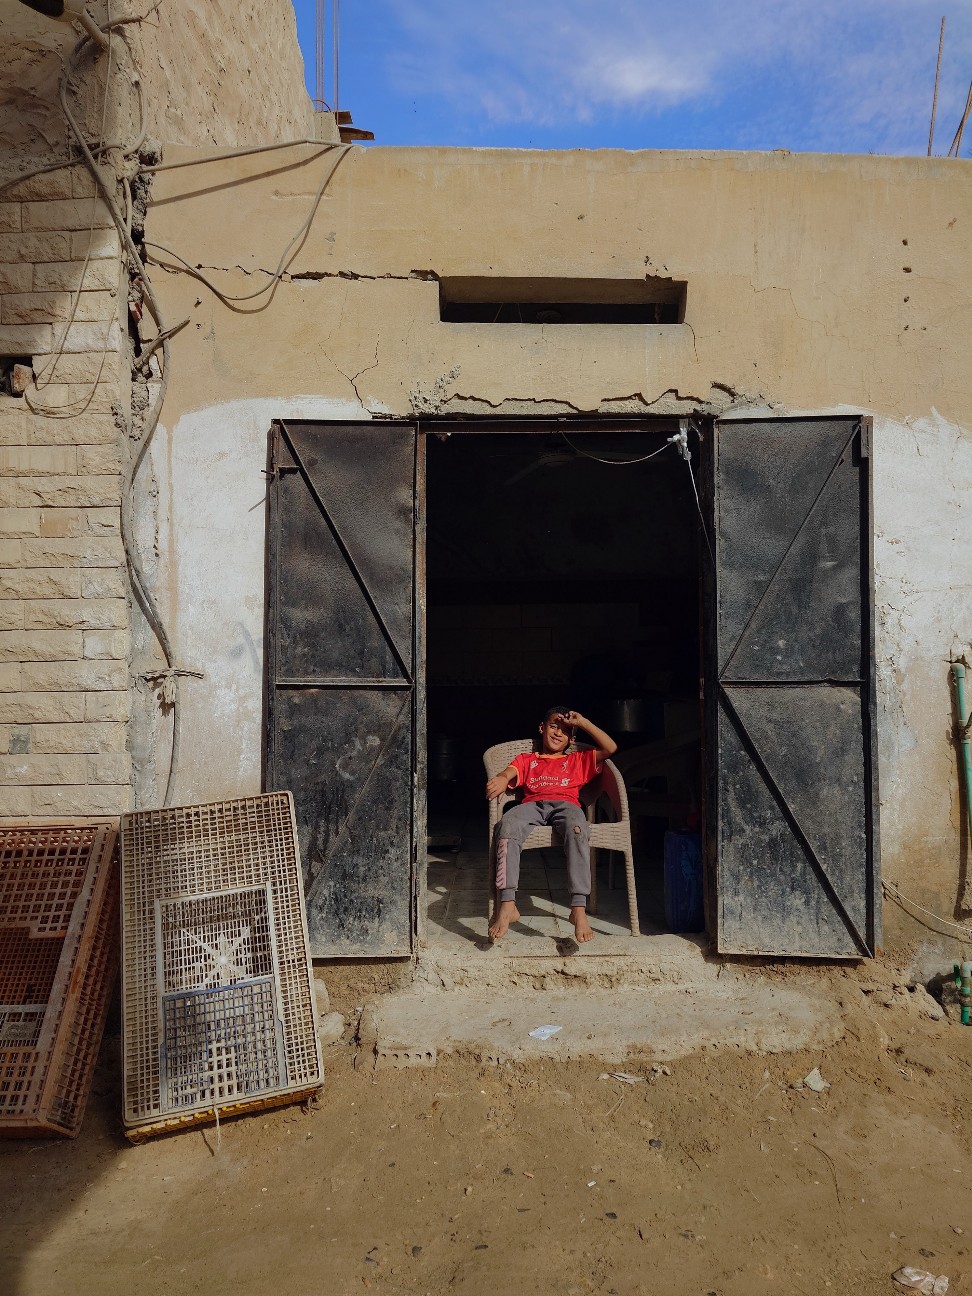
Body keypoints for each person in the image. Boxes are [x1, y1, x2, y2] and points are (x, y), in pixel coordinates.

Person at [485, 707, 617, 944]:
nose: (558, 733)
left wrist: (582, 722)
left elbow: (611, 748)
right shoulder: (527, 760)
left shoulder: (577, 760)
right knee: (506, 826)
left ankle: (578, 908)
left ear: (571, 739)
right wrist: (503, 778)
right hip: (532, 805)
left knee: (578, 828)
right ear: (541, 728)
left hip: (566, 806)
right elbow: (510, 771)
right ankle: (507, 904)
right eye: (554, 726)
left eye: (565, 731)